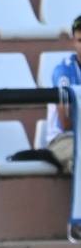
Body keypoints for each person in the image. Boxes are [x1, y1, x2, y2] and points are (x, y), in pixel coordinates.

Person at [46, 16, 81, 171]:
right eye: (80, 41)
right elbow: (65, 122)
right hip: (62, 139)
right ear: (74, 41)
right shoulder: (64, 71)